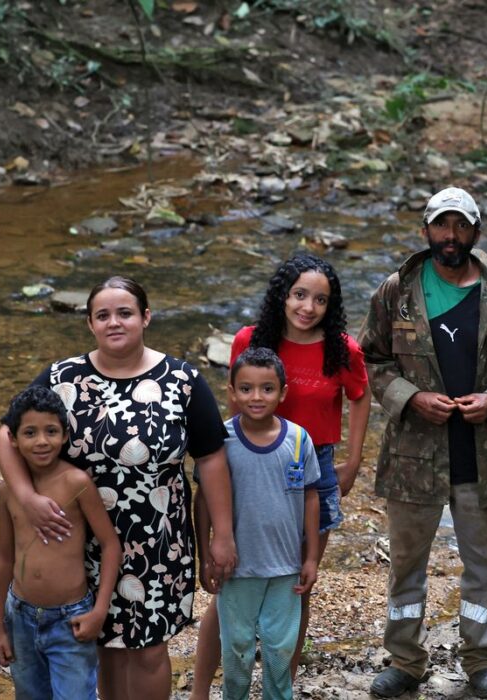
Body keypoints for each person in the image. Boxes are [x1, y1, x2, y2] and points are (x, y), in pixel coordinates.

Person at [0, 276, 237, 700]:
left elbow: (212, 458)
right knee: (103, 644)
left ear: (146, 317)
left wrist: (223, 535)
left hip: (158, 542)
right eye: (102, 315)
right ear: (90, 323)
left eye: (125, 313)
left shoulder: (182, 380)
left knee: (147, 649)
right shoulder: (62, 377)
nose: (114, 322)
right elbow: (6, 433)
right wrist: (27, 498)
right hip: (80, 541)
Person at [358, 186, 487, 699]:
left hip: (486, 451)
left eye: (461, 226)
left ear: (476, 232)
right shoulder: (397, 290)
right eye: (442, 225)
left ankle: (480, 660)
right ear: (426, 230)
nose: (451, 236)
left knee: (485, 563)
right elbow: (372, 359)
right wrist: (412, 397)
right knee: (406, 563)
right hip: (414, 453)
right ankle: (405, 661)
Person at [191, 254, 370, 697]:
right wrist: (225, 468)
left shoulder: (341, 349)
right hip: (248, 461)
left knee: (297, 585)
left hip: (312, 465)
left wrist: (353, 461)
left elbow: (360, 395)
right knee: (229, 581)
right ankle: (200, 690)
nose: (308, 307)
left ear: (331, 305)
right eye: (299, 295)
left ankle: (281, 688)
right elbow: (234, 405)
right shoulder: (252, 339)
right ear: (282, 296)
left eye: (320, 300)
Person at [195, 347, 320, 700]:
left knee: (280, 650)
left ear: (283, 392)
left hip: (285, 568)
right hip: (236, 570)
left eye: (267, 389)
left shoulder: (299, 440)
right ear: (231, 391)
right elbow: (203, 500)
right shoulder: (219, 441)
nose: (256, 397)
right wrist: (205, 555)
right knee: (236, 648)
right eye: (246, 388)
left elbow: (311, 498)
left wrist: (311, 558)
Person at [0, 386, 123, 700]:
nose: (41, 441)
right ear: (13, 439)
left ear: (65, 435)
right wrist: (1, 627)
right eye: (30, 433)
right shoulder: (9, 491)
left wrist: (99, 611)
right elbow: (5, 559)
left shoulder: (76, 483)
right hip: (20, 616)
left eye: (51, 431)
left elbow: (110, 545)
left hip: (70, 618)